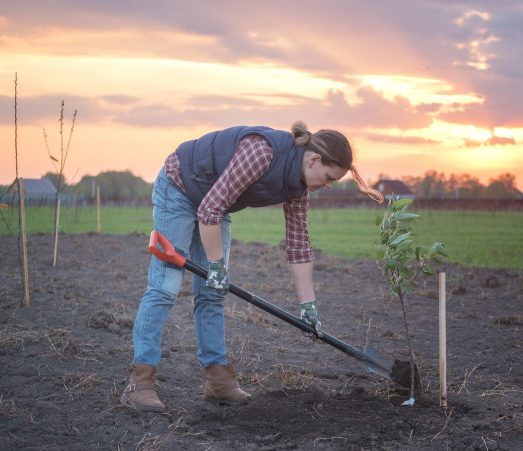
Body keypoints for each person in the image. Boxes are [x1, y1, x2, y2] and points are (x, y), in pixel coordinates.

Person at [121, 121, 384, 412]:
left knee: (212, 293)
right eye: (329, 177)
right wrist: (217, 267)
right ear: (314, 159)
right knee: (165, 286)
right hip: (179, 186)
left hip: (215, 203)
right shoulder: (262, 153)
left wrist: (309, 305)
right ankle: (139, 382)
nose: (329, 185)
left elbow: (298, 247)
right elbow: (210, 209)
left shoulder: (298, 189)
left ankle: (217, 381)